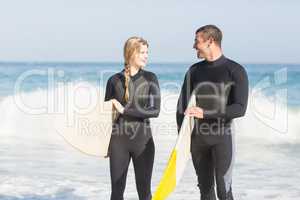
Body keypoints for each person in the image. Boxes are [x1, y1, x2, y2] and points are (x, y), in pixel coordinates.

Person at [176, 25, 249, 200]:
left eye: (197, 41)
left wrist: (206, 113)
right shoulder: (194, 71)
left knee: (224, 190)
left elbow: (239, 108)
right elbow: (181, 107)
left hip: (223, 137)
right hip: (198, 140)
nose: (194, 46)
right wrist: (182, 138)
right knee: (205, 191)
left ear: (210, 41)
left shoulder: (235, 71)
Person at [105, 36, 161, 200]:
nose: (146, 56)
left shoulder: (150, 78)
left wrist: (125, 110)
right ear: (131, 53)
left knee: (144, 192)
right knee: (116, 193)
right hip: (118, 143)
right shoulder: (114, 80)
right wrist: (103, 143)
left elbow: (154, 110)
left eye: (147, 52)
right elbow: (106, 116)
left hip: (142, 142)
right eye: (142, 52)